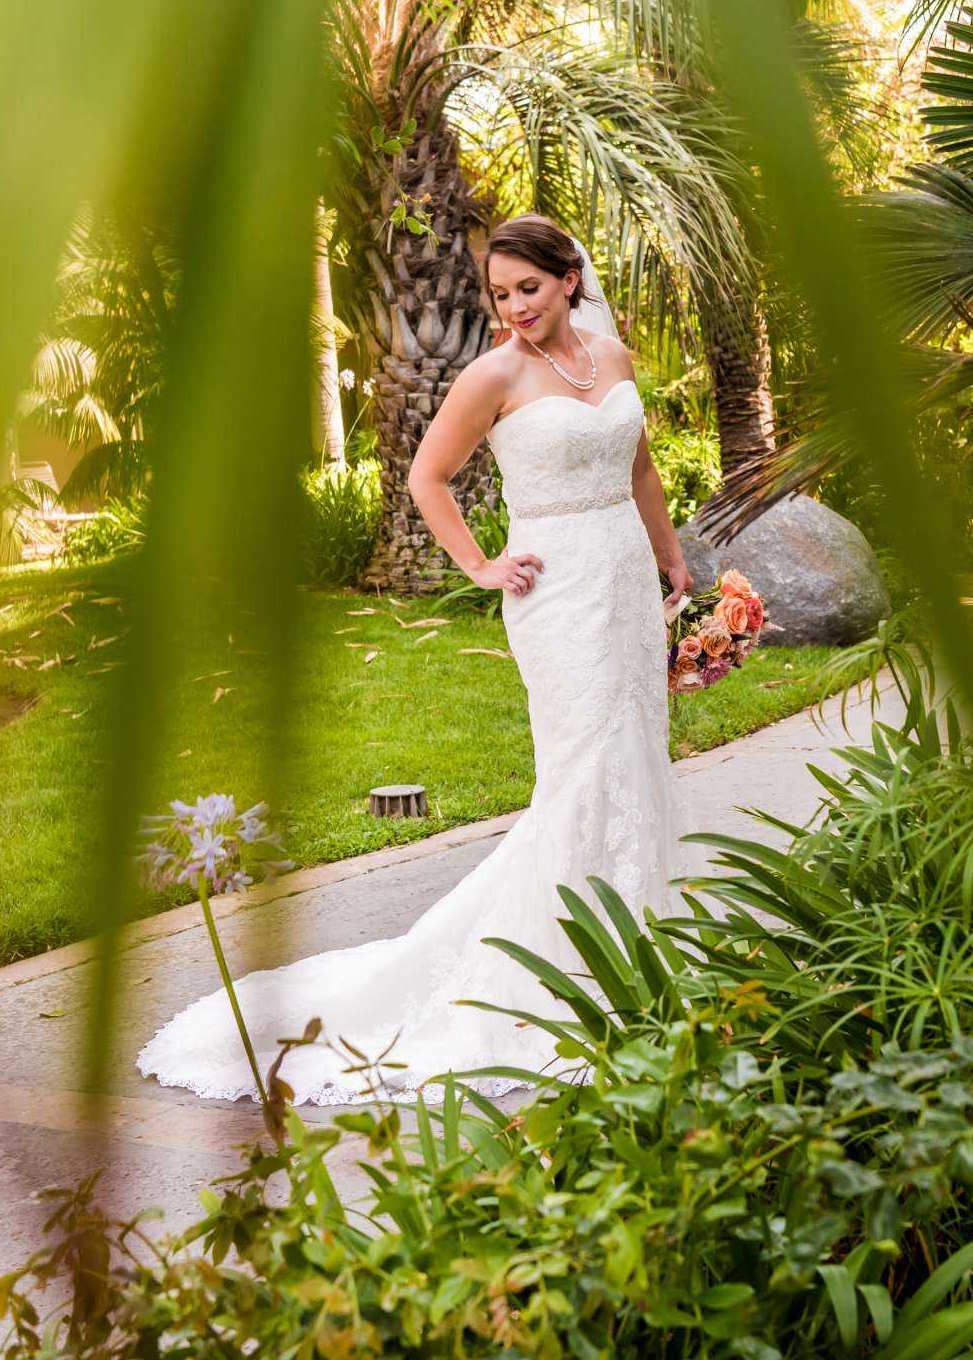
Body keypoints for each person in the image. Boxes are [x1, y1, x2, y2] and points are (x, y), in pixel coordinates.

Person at [134, 214, 695, 1104]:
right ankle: (553, 973)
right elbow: (426, 477)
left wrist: (669, 555)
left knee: (633, 755)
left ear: (569, 280)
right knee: (583, 772)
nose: (514, 308)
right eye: (500, 293)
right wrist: (481, 564)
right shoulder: (492, 375)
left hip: (625, 581)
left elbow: (640, 472)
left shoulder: (612, 360)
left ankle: (629, 946)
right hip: (554, 595)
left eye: (530, 289)